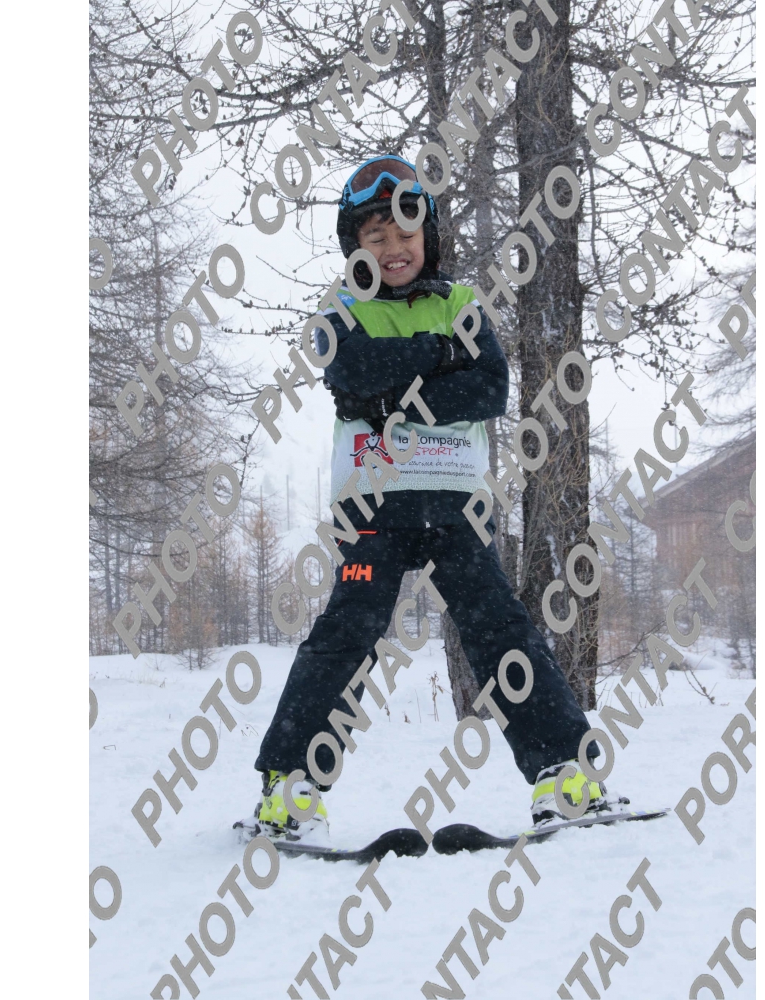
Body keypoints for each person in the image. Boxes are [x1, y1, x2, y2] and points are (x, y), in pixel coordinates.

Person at [252, 155, 601, 841]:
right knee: (346, 635)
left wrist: (396, 396)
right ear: (354, 246)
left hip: (455, 508)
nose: (393, 248)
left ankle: (565, 771)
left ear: (428, 236)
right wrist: (441, 358)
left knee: (500, 629)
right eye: (375, 236)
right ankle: (289, 785)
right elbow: (352, 374)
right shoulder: (340, 308)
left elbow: (488, 388)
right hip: (373, 510)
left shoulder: (461, 303)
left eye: (405, 233)